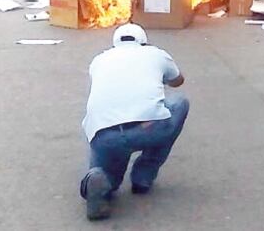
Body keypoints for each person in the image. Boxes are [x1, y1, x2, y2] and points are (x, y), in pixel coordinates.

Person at [80, 23, 188, 221]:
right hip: (148, 128)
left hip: (104, 134)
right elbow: (178, 81)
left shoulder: (99, 60)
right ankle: (143, 178)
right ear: (143, 42)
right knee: (179, 103)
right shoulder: (156, 54)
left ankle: (99, 180)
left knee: (108, 176)